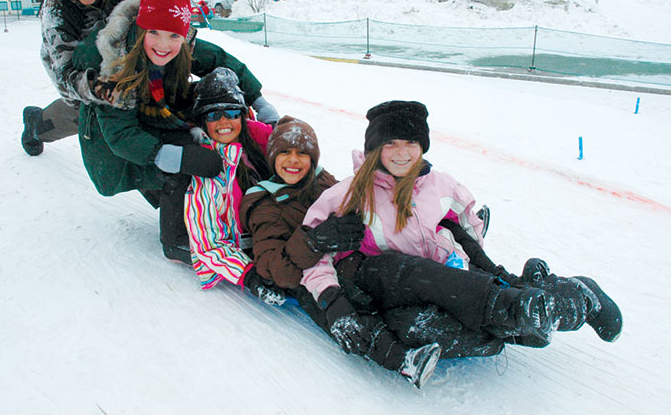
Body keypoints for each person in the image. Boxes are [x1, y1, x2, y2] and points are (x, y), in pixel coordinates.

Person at [299, 101, 623, 383]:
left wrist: (463, 255)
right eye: (391, 143)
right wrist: (333, 301)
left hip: (440, 278)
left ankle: (566, 299)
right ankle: (526, 314)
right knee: (413, 321)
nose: (401, 153)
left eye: (410, 142)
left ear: (421, 146)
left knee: (436, 313)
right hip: (386, 280)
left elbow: (468, 221)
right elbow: (312, 253)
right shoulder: (350, 193)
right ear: (374, 148)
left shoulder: (440, 184)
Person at [241, 115, 483, 388]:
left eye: (302, 153)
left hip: (347, 261)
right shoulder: (264, 202)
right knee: (349, 312)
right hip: (305, 281)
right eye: (284, 152)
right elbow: (277, 269)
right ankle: (402, 359)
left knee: (402, 272)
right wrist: (313, 242)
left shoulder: (322, 181)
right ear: (273, 156)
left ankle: (474, 283)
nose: (293, 160)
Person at [71, 0, 278, 263]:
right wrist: (170, 157)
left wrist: (260, 103)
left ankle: (215, 206)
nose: (163, 44)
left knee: (207, 128)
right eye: (153, 32)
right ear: (141, 28)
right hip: (114, 136)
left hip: (157, 111)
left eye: (173, 36)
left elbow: (222, 60)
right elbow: (121, 135)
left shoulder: (183, 48)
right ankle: (175, 239)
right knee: (178, 168)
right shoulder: (116, 67)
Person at [21, 0, 141, 157]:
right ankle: (37, 124)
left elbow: (141, 25)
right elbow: (66, 79)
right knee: (83, 113)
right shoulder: (56, 11)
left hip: (116, 52)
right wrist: (100, 89)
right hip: (75, 64)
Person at [183, 67, 285, 304]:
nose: (223, 121)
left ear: (242, 116)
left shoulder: (260, 145)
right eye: (212, 115)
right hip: (251, 245)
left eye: (231, 112)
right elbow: (207, 241)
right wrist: (247, 275)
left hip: (282, 229)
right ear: (203, 122)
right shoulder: (206, 167)